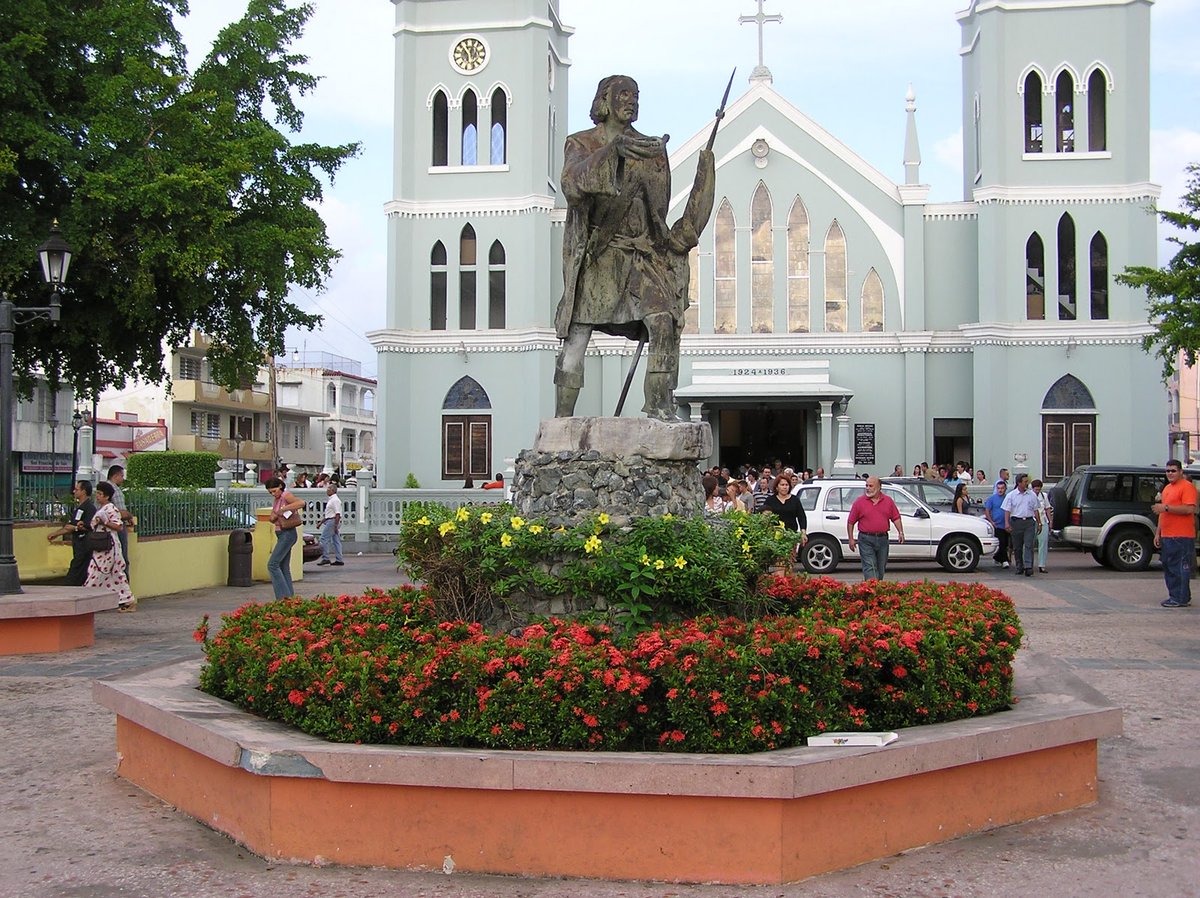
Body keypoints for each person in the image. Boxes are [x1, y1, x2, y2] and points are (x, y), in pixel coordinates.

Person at [553, 74, 715, 421]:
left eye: (636, 95)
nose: (632, 101)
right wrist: (613, 152)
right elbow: (572, 186)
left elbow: (658, 214)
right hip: (598, 256)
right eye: (624, 94)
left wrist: (704, 176)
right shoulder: (581, 143)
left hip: (640, 257)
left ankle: (659, 408)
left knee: (663, 321)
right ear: (605, 101)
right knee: (578, 337)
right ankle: (562, 422)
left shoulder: (651, 150)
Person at [1152, 459, 1197, 608]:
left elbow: (1189, 509)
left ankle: (1180, 598)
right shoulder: (1167, 489)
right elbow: (1162, 513)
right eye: (1168, 471)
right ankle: (1177, 595)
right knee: (1169, 566)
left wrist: (1166, 508)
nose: (1170, 473)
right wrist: (1158, 533)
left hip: (1182, 536)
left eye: (1173, 470)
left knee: (1180, 567)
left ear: (1180, 472)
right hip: (1167, 535)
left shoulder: (1187, 487)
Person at [86, 481, 135, 611]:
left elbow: (118, 526)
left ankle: (87, 599)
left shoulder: (111, 509)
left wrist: (105, 522)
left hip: (108, 547)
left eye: (100, 494)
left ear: (106, 496)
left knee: (97, 571)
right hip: (101, 545)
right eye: (97, 493)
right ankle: (127, 599)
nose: (97, 496)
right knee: (115, 574)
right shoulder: (101, 509)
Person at [847, 477, 905, 580]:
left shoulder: (888, 501)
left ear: (879, 487)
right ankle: (871, 590)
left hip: (883, 539)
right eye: (866, 486)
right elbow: (851, 522)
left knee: (880, 568)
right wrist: (851, 539)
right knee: (870, 567)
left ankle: (876, 590)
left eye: (871, 486)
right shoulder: (859, 502)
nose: (868, 488)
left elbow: (896, 518)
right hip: (866, 539)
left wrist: (900, 532)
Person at [46, 479, 97, 587]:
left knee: (76, 573)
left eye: (77, 489)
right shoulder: (79, 508)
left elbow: (89, 526)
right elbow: (70, 526)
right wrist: (56, 533)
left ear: (83, 491)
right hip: (78, 546)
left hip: (85, 546)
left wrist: (76, 528)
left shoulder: (89, 508)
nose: (74, 492)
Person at [265, 476, 305, 600]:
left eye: (274, 491)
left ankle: (283, 597)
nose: (273, 494)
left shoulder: (285, 496)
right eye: (270, 492)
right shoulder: (277, 499)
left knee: (272, 564)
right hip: (281, 533)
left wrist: (284, 509)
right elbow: (273, 516)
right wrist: (275, 515)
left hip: (287, 533)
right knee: (283, 566)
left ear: (280, 487)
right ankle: (289, 598)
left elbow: (301, 503)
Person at [762, 473, 808, 563]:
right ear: (777, 487)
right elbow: (765, 517)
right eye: (782, 485)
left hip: (791, 535)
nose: (785, 487)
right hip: (775, 536)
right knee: (778, 562)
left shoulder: (795, 500)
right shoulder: (770, 500)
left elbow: (802, 517)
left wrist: (803, 532)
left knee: (789, 561)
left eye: (786, 485)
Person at [1002, 473, 1042, 576]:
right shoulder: (1011, 495)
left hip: (1029, 522)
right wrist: (1007, 523)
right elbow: (1007, 510)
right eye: (1024, 482)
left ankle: (1028, 566)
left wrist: (1039, 522)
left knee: (1029, 545)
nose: (1027, 483)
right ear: (1019, 483)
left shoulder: (1031, 495)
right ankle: (1019, 566)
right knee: (1017, 546)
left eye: (1027, 481)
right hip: (1016, 522)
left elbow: (1035, 509)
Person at [107, 464, 132, 570]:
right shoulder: (115, 491)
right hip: (117, 527)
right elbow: (121, 513)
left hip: (104, 529)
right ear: (115, 476)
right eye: (121, 476)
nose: (123, 479)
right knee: (122, 558)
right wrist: (129, 516)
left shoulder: (102, 488)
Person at [317, 483, 344, 567]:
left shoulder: (335, 500)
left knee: (323, 539)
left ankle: (326, 558)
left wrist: (335, 525)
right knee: (336, 541)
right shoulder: (332, 500)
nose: (327, 490)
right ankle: (339, 559)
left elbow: (337, 514)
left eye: (328, 489)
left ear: (333, 490)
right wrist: (321, 522)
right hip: (331, 521)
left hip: (332, 521)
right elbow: (329, 514)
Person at [984, 481, 1010, 568]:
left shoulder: (1008, 498)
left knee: (1006, 543)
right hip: (997, 524)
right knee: (1001, 542)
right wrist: (991, 521)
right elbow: (987, 510)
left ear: (1005, 489)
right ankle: (1004, 560)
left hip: (1007, 524)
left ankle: (997, 557)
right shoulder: (992, 499)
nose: (1000, 490)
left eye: (1002, 488)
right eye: (998, 488)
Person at [1032, 479, 1052, 573]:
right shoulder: (1029, 496)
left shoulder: (1044, 496)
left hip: (1043, 521)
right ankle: (1028, 564)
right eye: (1035, 489)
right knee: (1028, 544)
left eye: (1038, 489)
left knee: (1043, 544)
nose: (1037, 491)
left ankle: (1042, 565)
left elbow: (1047, 508)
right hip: (1032, 522)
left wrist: (1050, 521)